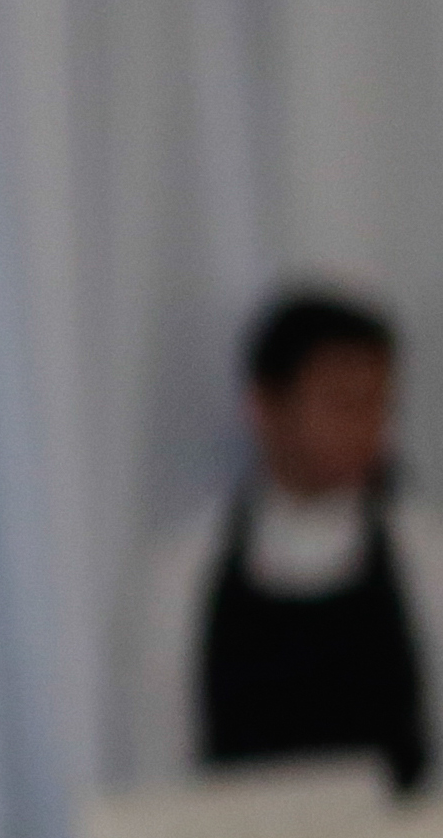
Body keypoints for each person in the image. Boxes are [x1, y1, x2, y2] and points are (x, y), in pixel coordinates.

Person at [128, 284, 433, 791]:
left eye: (378, 403)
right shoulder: (182, 571)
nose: (367, 427)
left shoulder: (425, 556)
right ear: (263, 405)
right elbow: (157, 764)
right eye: (341, 402)